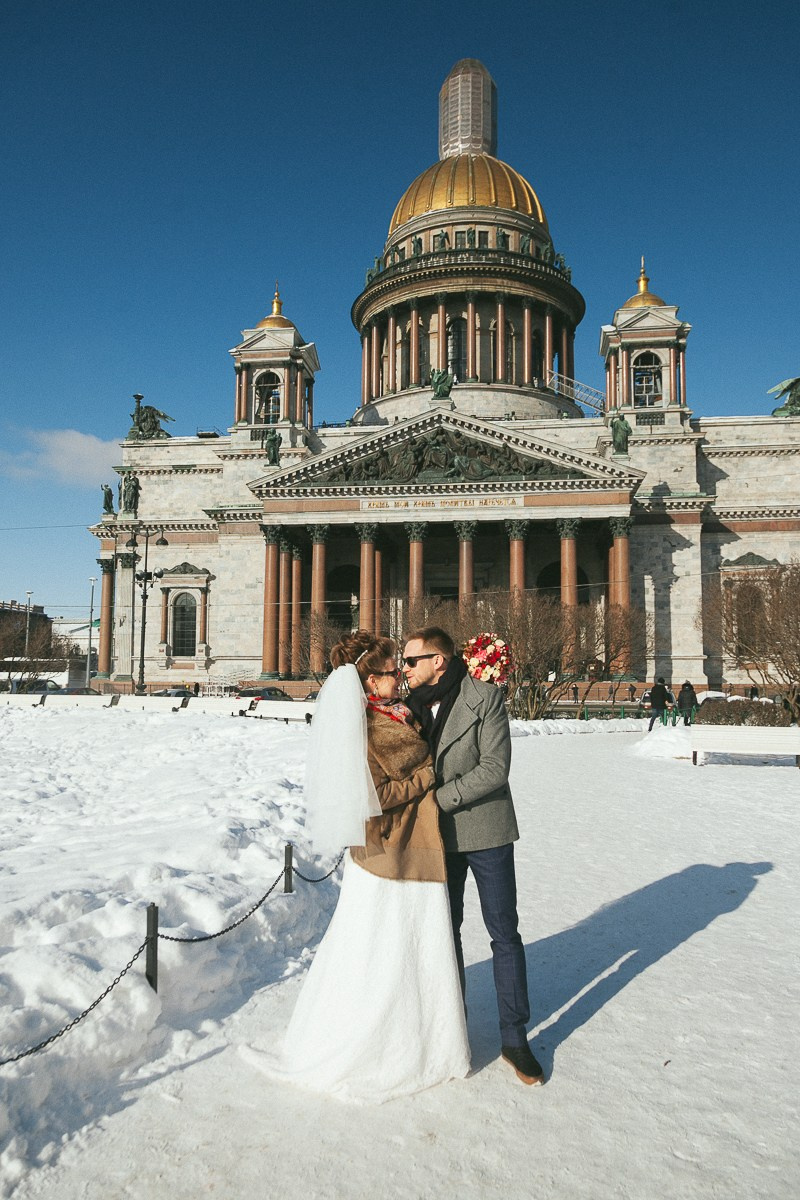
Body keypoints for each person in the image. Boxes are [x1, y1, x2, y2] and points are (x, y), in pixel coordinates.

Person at [241, 631, 470, 1104]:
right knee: (387, 949)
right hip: (393, 851)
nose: (399, 678)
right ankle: (386, 1044)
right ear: (369, 680)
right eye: (390, 672)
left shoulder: (395, 713)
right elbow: (374, 796)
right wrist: (429, 776)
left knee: (406, 947)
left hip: (410, 845)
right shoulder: (365, 726)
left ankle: (420, 1038)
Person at [403, 626, 544, 1086]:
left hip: (486, 830)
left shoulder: (484, 697)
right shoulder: (410, 708)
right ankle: (452, 1028)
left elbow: (495, 769)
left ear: (438, 661)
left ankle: (515, 1038)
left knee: (504, 933)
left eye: (411, 660)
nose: (405, 669)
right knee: (446, 932)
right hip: (438, 838)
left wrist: (438, 800)